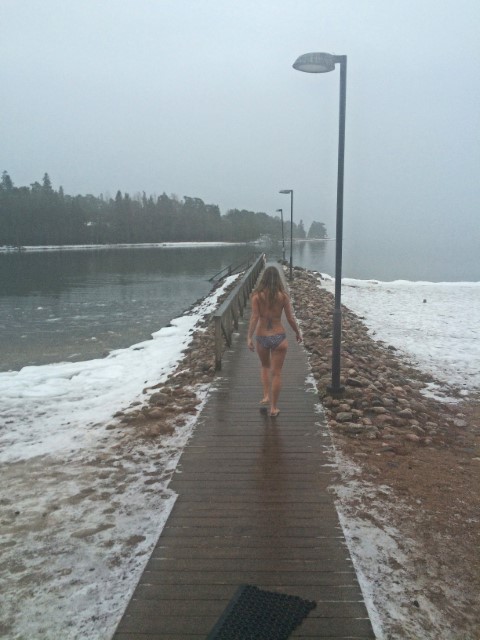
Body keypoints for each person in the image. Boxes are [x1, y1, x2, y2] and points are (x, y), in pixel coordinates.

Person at [247, 266, 302, 417]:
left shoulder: (257, 296)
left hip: (262, 336)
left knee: (265, 366)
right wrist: (297, 333)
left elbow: (254, 317)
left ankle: (266, 395)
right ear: (278, 279)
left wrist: (248, 337)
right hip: (279, 337)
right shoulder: (283, 296)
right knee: (276, 373)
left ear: (263, 278)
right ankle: (273, 408)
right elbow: (290, 318)